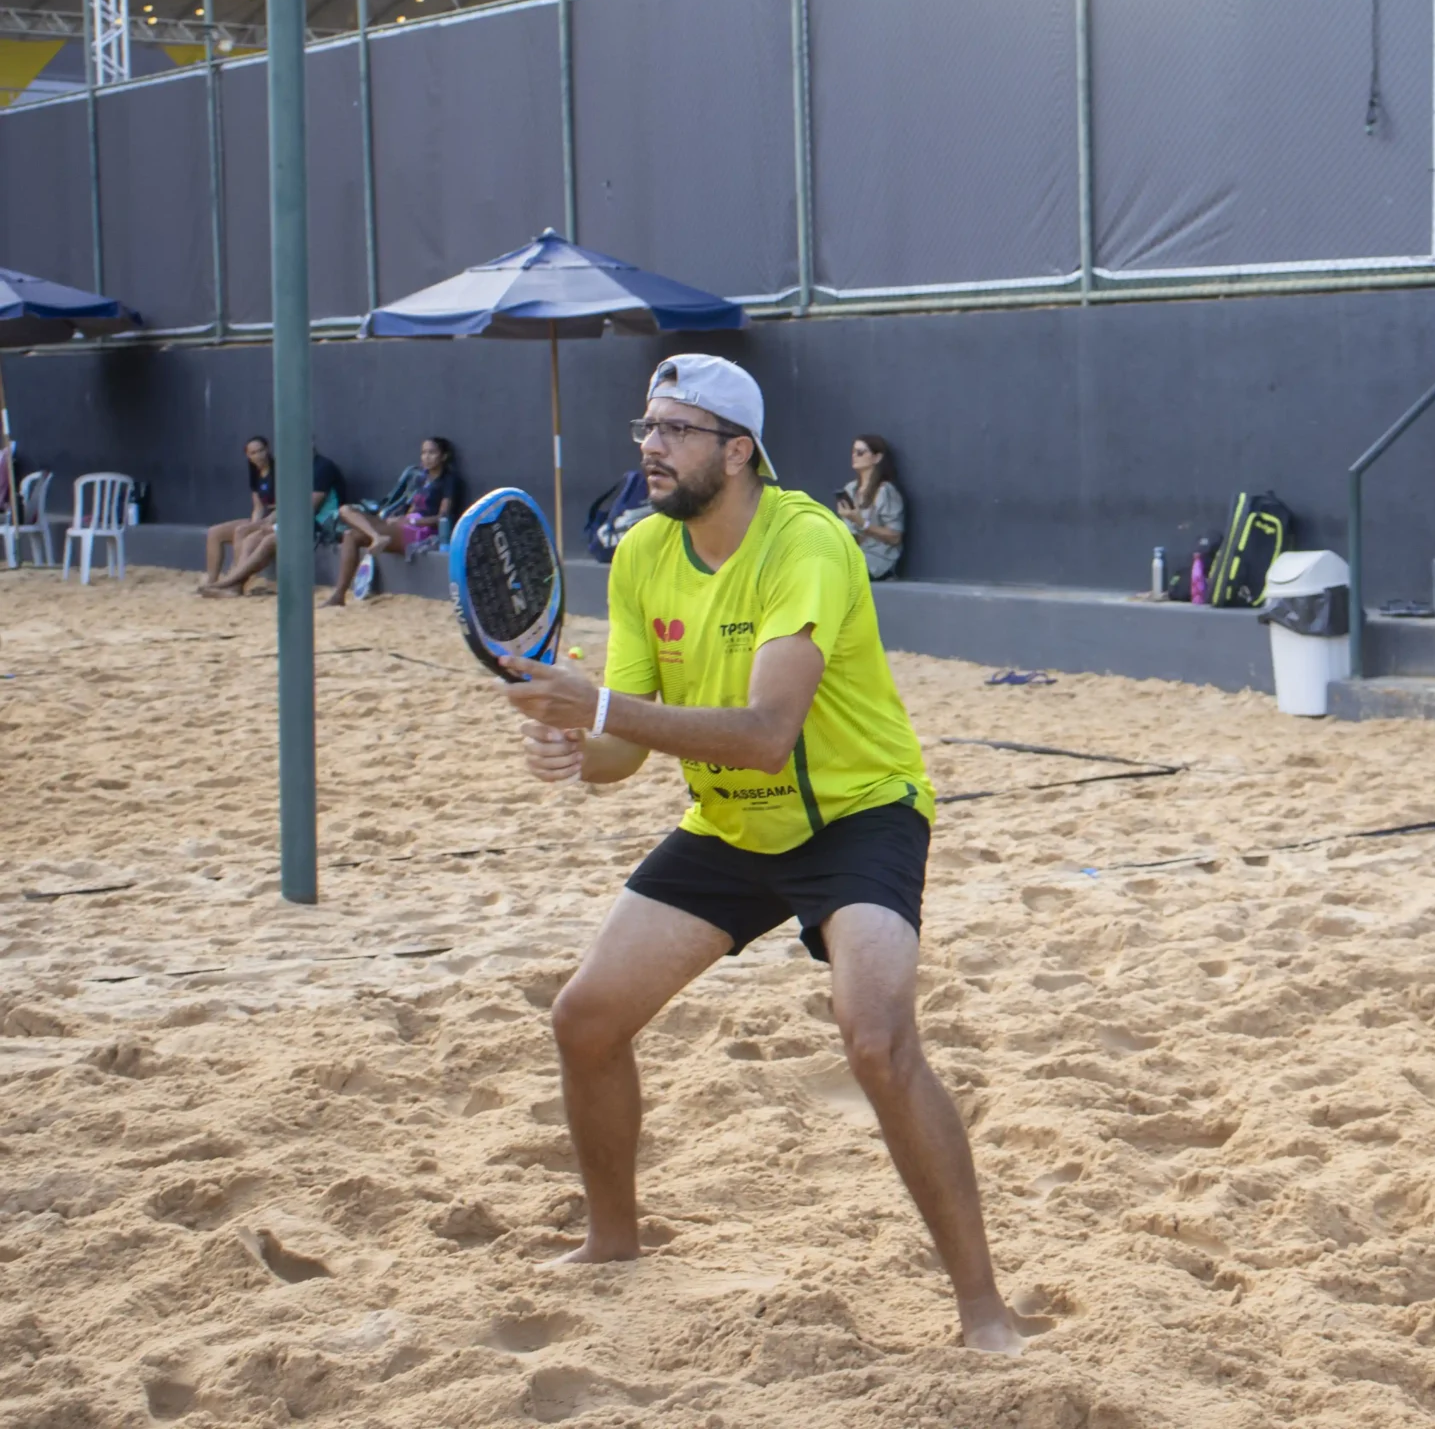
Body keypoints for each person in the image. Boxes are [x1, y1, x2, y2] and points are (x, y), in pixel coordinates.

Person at [494, 354, 1036, 1354]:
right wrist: (574, 742)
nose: (651, 446)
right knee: (584, 1018)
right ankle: (612, 1242)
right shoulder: (643, 552)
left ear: (737, 451)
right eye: (646, 427)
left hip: (855, 814)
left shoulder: (807, 541)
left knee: (875, 1040)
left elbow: (764, 733)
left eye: (676, 430)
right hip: (732, 823)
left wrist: (599, 706)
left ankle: (984, 1313)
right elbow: (623, 750)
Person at [325, 436, 462, 607]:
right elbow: (410, 506)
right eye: (423, 453)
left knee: (352, 531)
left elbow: (442, 517)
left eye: (432, 453)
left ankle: (376, 538)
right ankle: (339, 595)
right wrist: (398, 517)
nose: (426, 457)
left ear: (444, 456)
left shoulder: (449, 481)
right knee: (348, 523)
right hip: (403, 524)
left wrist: (413, 522)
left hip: (421, 531)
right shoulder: (420, 478)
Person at [200, 447, 346, 597]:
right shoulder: (295, 469)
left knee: (268, 539)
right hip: (297, 523)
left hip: (320, 526)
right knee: (251, 538)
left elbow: (307, 510)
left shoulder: (322, 467)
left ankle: (227, 582)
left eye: (260, 450)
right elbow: (283, 507)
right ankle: (234, 586)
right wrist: (267, 523)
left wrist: (274, 525)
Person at [203, 435, 277, 589]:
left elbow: (284, 506)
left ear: (267, 449)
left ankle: (234, 579)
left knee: (242, 531)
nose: (258, 456)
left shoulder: (278, 470)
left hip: (275, 518)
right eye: (253, 453)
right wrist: (255, 523)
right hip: (263, 517)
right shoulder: (255, 473)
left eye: (261, 450)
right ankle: (211, 581)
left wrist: (258, 525)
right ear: (248, 456)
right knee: (214, 532)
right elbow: (258, 507)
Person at [833, 433, 906, 581]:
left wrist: (862, 523)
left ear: (877, 458)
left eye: (860, 452)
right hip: (856, 555)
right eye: (853, 452)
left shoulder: (885, 491)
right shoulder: (851, 489)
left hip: (877, 560)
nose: (854, 456)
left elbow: (895, 537)